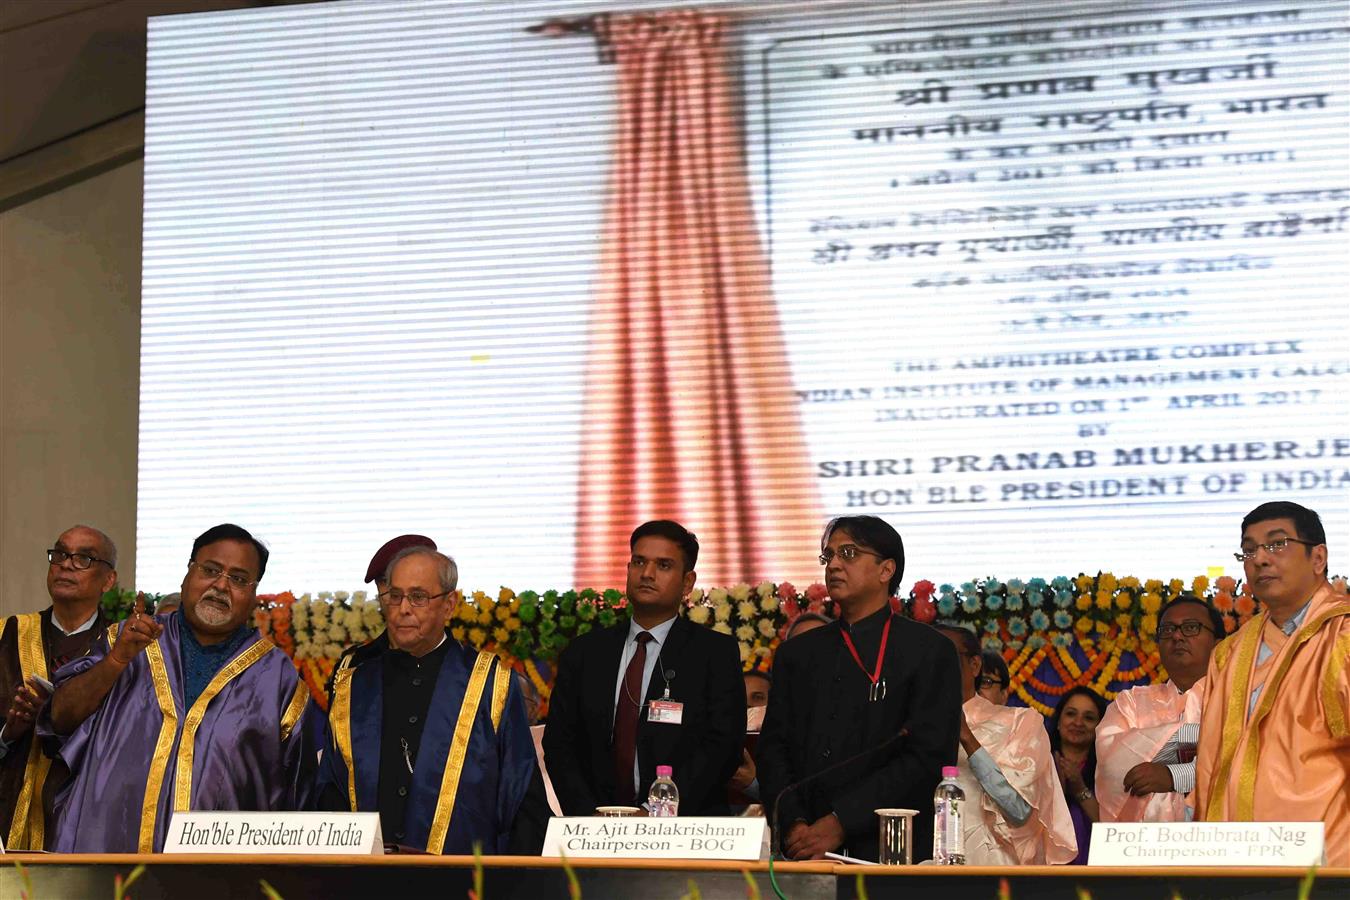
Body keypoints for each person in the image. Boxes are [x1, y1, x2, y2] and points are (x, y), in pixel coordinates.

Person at [42, 524, 318, 852]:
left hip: (220, 878)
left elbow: (301, 796)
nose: (220, 585)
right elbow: (58, 719)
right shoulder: (127, 641)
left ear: (254, 593)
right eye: (211, 570)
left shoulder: (277, 678)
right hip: (109, 863)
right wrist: (116, 662)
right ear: (187, 575)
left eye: (239, 579)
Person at [756, 516, 961, 861]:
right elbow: (773, 749)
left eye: (848, 553)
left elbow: (929, 756)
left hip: (890, 848)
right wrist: (794, 825)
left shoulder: (928, 650)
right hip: (803, 849)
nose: (834, 564)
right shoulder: (798, 653)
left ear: (886, 570)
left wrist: (840, 822)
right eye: (828, 556)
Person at [319, 545, 538, 853]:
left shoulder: (490, 683)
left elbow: (520, 797)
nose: (403, 609)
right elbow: (330, 791)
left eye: (418, 597)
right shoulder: (355, 687)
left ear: (449, 605)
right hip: (366, 880)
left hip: (459, 880)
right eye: (395, 596)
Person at [544, 520, 744, 815]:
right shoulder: (585, 652)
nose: (647, 574)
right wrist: (590, 815)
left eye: (663, 565)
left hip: (683, 831)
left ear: (688, 582)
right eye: (639, 562)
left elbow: (721, 749)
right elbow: (560, 745)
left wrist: (655, 813)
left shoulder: (713, 654)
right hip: (595, 830)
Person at [1195, 501, 1349, 866]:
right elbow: (1209, 765)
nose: (1260, 559)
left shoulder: (1342, 638)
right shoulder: (1229, 653)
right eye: (1249, 550)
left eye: (1277, 544)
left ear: (1318, 557)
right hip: (1231, 859)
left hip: (1327, 859)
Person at [1, 525, 119, 850]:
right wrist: (8, 733)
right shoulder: (7, 635)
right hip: (6, 811)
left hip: (83, 822)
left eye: (84, 558)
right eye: (60, 554)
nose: (66, 564)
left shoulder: (120, 650)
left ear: (109, 580)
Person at [935, 624, 1077, 865]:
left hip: (995, 871)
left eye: (945, 655)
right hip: (922, 871)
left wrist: (967, 737)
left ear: (974, 665)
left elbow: (1020, 810)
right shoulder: (908, 724)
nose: (935, 665)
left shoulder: (1019, 723)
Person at [1095, 595, 1219, 822]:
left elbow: (1250, 761)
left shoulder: (1237, 700)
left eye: (1191, 627)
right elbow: (1113, 768)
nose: (1177, 635)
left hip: (1221, 843)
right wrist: (1206, 741)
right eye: (1168, 629)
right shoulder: (1131, 702)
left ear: (1218, 643)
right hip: (1145, 847)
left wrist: (1175, 776)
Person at [1049, 686, 1106, 865]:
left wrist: (1080, 789)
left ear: (1100, 727)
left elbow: (1114, 829)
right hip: (1045, 870)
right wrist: (1056, 791)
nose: (1078, 722)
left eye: (1088, 718)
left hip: (1097, 870)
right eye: (1071, 714)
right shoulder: (1038, 761)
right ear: (1058, 722)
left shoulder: (1108, 769)